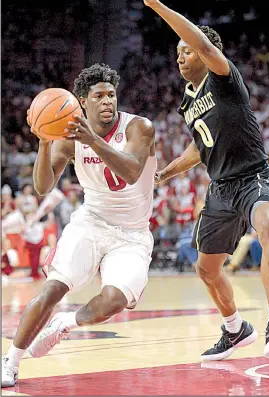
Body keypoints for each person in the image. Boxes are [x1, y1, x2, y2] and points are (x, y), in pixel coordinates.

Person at [128, 0, 269, 361]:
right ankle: (235, 329)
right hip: (221, 188)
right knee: (206, 269)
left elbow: (206, 47)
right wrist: (164, 173)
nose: (179, 55)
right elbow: (199, 148)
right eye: (177, 51)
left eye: (186, 49)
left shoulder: (223, 77)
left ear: (205, 53)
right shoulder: (189, 102)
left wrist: (156, 4)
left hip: (254, 176)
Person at [2, 63, 156, 387]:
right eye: (98, 96)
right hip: (91, 222)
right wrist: (44, 142)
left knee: (115, 300)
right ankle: (11, 361)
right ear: (83, 101)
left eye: (111, 95)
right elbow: (43, 186)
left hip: (132, 234)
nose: (107, 102)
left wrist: (93, 141)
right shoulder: (69, 137)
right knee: (53, 288)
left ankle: (66, 323)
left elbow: (130, 173)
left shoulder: (138, 128)